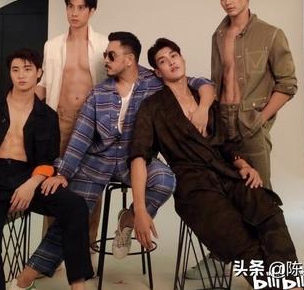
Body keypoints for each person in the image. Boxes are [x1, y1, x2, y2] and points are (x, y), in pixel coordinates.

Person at [12, 32, 214, 287]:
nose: (105, 60)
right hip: (96, 163)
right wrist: (62, 172)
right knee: (72, 217)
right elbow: (81, 136)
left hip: (135, 161)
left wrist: (204, 107)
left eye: (111, 55)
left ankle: (129, 219)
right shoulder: (99, 92)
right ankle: (28, 275)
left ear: (129, 60)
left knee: (165, 179)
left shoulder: (154, 82)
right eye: (105, 55)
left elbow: (198, 82)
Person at [130, 38, 301, 290]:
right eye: (163, 61)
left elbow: (227, 144)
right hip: (193, 186)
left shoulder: (206, 99)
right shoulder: (152, 107)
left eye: (174, 55)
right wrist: (140, 210)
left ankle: (292, 285)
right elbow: (138, 156)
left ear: (182, 58)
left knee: (268, 210)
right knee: (235, 235)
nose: (171, 62)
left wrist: (243, 165)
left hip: (226, 173)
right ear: (158, 72)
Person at [0, 48, 93, 290]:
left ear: (39, 73)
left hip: (26, 176)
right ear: (10, 74)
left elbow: (48, 160)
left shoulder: (47, 116)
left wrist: (32, 184)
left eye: (27, 69)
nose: (21, 75)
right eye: (15, 70)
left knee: (75, 205)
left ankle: (78, 285)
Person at [211, 0, 297, 189]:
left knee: (260, 193)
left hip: (251, 119)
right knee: (225, 190)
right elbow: (216, 81)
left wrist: (260, 120)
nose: (228, 1)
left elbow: (288, 85)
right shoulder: (218, 36)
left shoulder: (271, 34)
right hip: (222, 120)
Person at [37, 0, 107, 246]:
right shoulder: (53, 45)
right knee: (52, 181)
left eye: (81, 8)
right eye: (70, 6)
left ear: (91, 11)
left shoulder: (103, 44)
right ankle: (50, 252)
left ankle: (86, 245)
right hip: (60, 119)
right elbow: (44, 83)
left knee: (91, 184)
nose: (74, 13)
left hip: (92, 122)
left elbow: (116, 78)